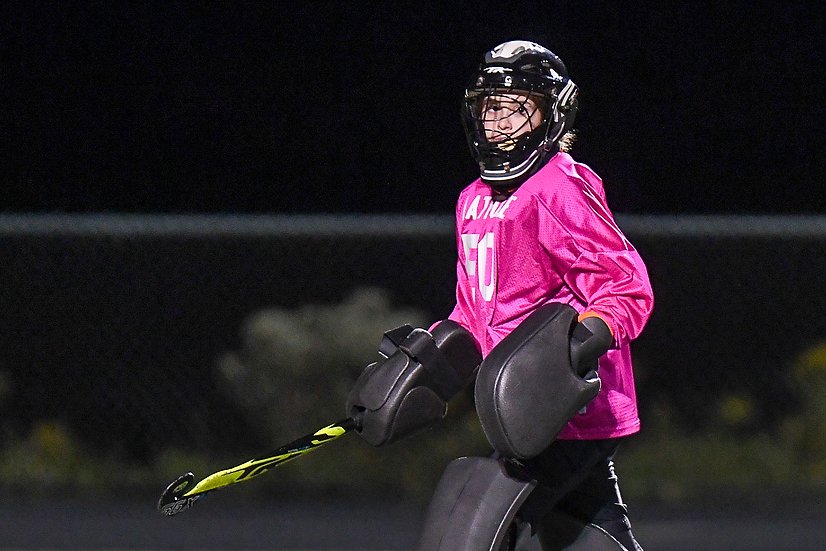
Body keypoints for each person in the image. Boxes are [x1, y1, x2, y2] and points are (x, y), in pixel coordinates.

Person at [347, 40, 653, 550]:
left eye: (515, 108)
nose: (497, 121)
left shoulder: (558, 188)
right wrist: (426, 364)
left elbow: (625, 286)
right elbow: (474, 312)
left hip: (569, 408)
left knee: (474, 518)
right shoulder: (472, 200)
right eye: (489, 108)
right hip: (521, 414)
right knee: (585, 529)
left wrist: (567, 354)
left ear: (551, 115)